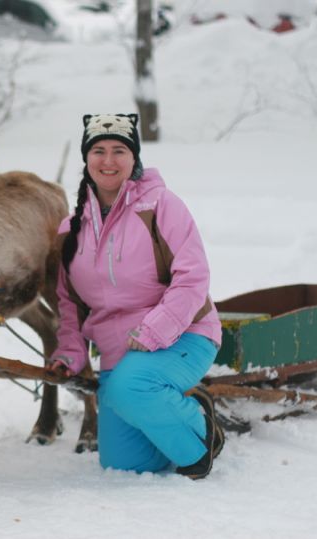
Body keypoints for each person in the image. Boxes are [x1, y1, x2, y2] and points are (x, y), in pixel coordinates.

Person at [50, 113, 224, 479]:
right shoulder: (72, 229)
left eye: (119, 151)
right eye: (98, 150)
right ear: (86, 158)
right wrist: (70, 351)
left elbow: (193, 276)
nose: (108, 161)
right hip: (120, 353)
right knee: (123, 463)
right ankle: (168, 417)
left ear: (135, 158)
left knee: (131, 389)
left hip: (183, 336)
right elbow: (69, 303)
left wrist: (155, 330)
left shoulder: (161, 205)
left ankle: (201, 437)